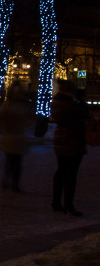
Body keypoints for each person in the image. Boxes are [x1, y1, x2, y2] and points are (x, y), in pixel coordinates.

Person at [49, 79, 90, 216]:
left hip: (61, 140)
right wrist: (81, 100)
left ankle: (56, 202)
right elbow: (85, 114)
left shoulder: (57, 102)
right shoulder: (70, 105)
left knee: (61, 171)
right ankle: (68, 204)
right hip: (72, 140)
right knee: (71, 174)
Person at [0, 82, 33, 192]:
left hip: (10, 137)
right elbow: (30, 121)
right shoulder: (23, 106)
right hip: (17, 138)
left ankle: (8, 181)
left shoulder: (8, 105)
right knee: (16, 162)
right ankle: (14, 184)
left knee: (10, 161)